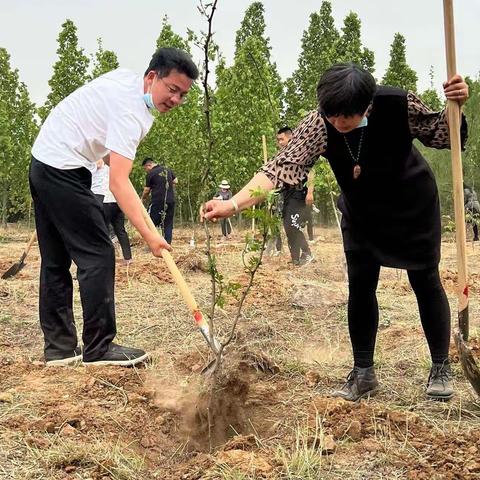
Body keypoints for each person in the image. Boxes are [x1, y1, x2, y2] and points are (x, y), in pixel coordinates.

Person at [203, 63, 469, 401]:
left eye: (348, 118)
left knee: (425, 279)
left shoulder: (397, 104)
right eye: (332, 118)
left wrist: (454, 107)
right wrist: (233, 204)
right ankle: (363, 373)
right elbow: (280, 168)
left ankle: (440, 367)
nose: (339, 125)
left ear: (367, 105)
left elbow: (444, 136)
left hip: (412, 206)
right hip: (361, 212)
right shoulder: (319, 123)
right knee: (360, 284)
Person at [29, 47, 198, 367]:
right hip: (64, 167)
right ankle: (98, 347)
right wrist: (150, 235)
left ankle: (60, 348)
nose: (175, 100)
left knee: (55, 260)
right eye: (172, 89)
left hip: (43, 161)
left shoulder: (125, 80)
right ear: (152, 78)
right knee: (98, 253)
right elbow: (119, 183)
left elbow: (103, 144)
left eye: (183, 95)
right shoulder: (132, 113)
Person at [276, 127, 315, 266]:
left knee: (293, 225)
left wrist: (310, 191)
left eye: (282, 139)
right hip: (286, 194)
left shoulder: (301, 152)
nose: (280, 142)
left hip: (298, 194)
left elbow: (311, 171)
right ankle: (295, 259)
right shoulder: (282, 155)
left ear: (290, 137)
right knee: (288, 226)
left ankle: (307, 252)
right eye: (278, 140)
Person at [141, 158, 177, 245]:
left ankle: (153, 244)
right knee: (168, 223)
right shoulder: (167, 170)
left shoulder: (151, 174)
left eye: (145, 169)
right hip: (170, 200)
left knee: (150, 223)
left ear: (148, 165)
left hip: (158, 201)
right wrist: (167, 189)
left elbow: (146, 190)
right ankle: (167, 245)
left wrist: (142, 199)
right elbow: (176, 181)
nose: (146, 171)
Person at [102, 166, 133, 265]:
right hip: (118, 200)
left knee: (103, 230)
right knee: (120, 230)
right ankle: (128, 257)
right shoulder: (118, 166)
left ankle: (106, 259)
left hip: (105, 200)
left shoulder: (100, 163)